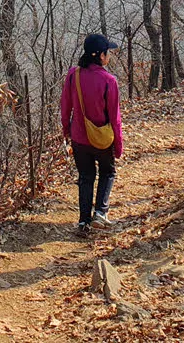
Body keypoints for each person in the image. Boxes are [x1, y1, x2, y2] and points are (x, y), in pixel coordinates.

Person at [59, 32, 123, 236]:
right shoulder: (109, 81)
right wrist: (118, 144)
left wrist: (66, 129)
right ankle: (100, 213)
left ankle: (83, 222)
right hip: (102, 138)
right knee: (108, 172)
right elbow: (115, 117)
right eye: (108, 53)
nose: (109, 56)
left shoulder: (73, 75)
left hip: (79, 136)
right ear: (101, 56)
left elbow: (65, 106)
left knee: (85, 177)